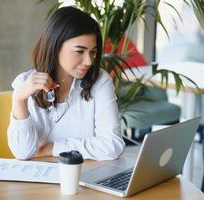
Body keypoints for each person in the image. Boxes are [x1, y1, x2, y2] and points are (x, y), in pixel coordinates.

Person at [7, 6, 125, 161]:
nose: (89, 61)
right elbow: (23, 153)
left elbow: (113, 146)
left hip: (86, 177)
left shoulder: (100, 81)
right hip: (40, 179)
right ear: (56, 46)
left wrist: (52, 147)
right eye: (79, 51)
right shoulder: (25, 83)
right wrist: (19, 99)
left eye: (93, 52)